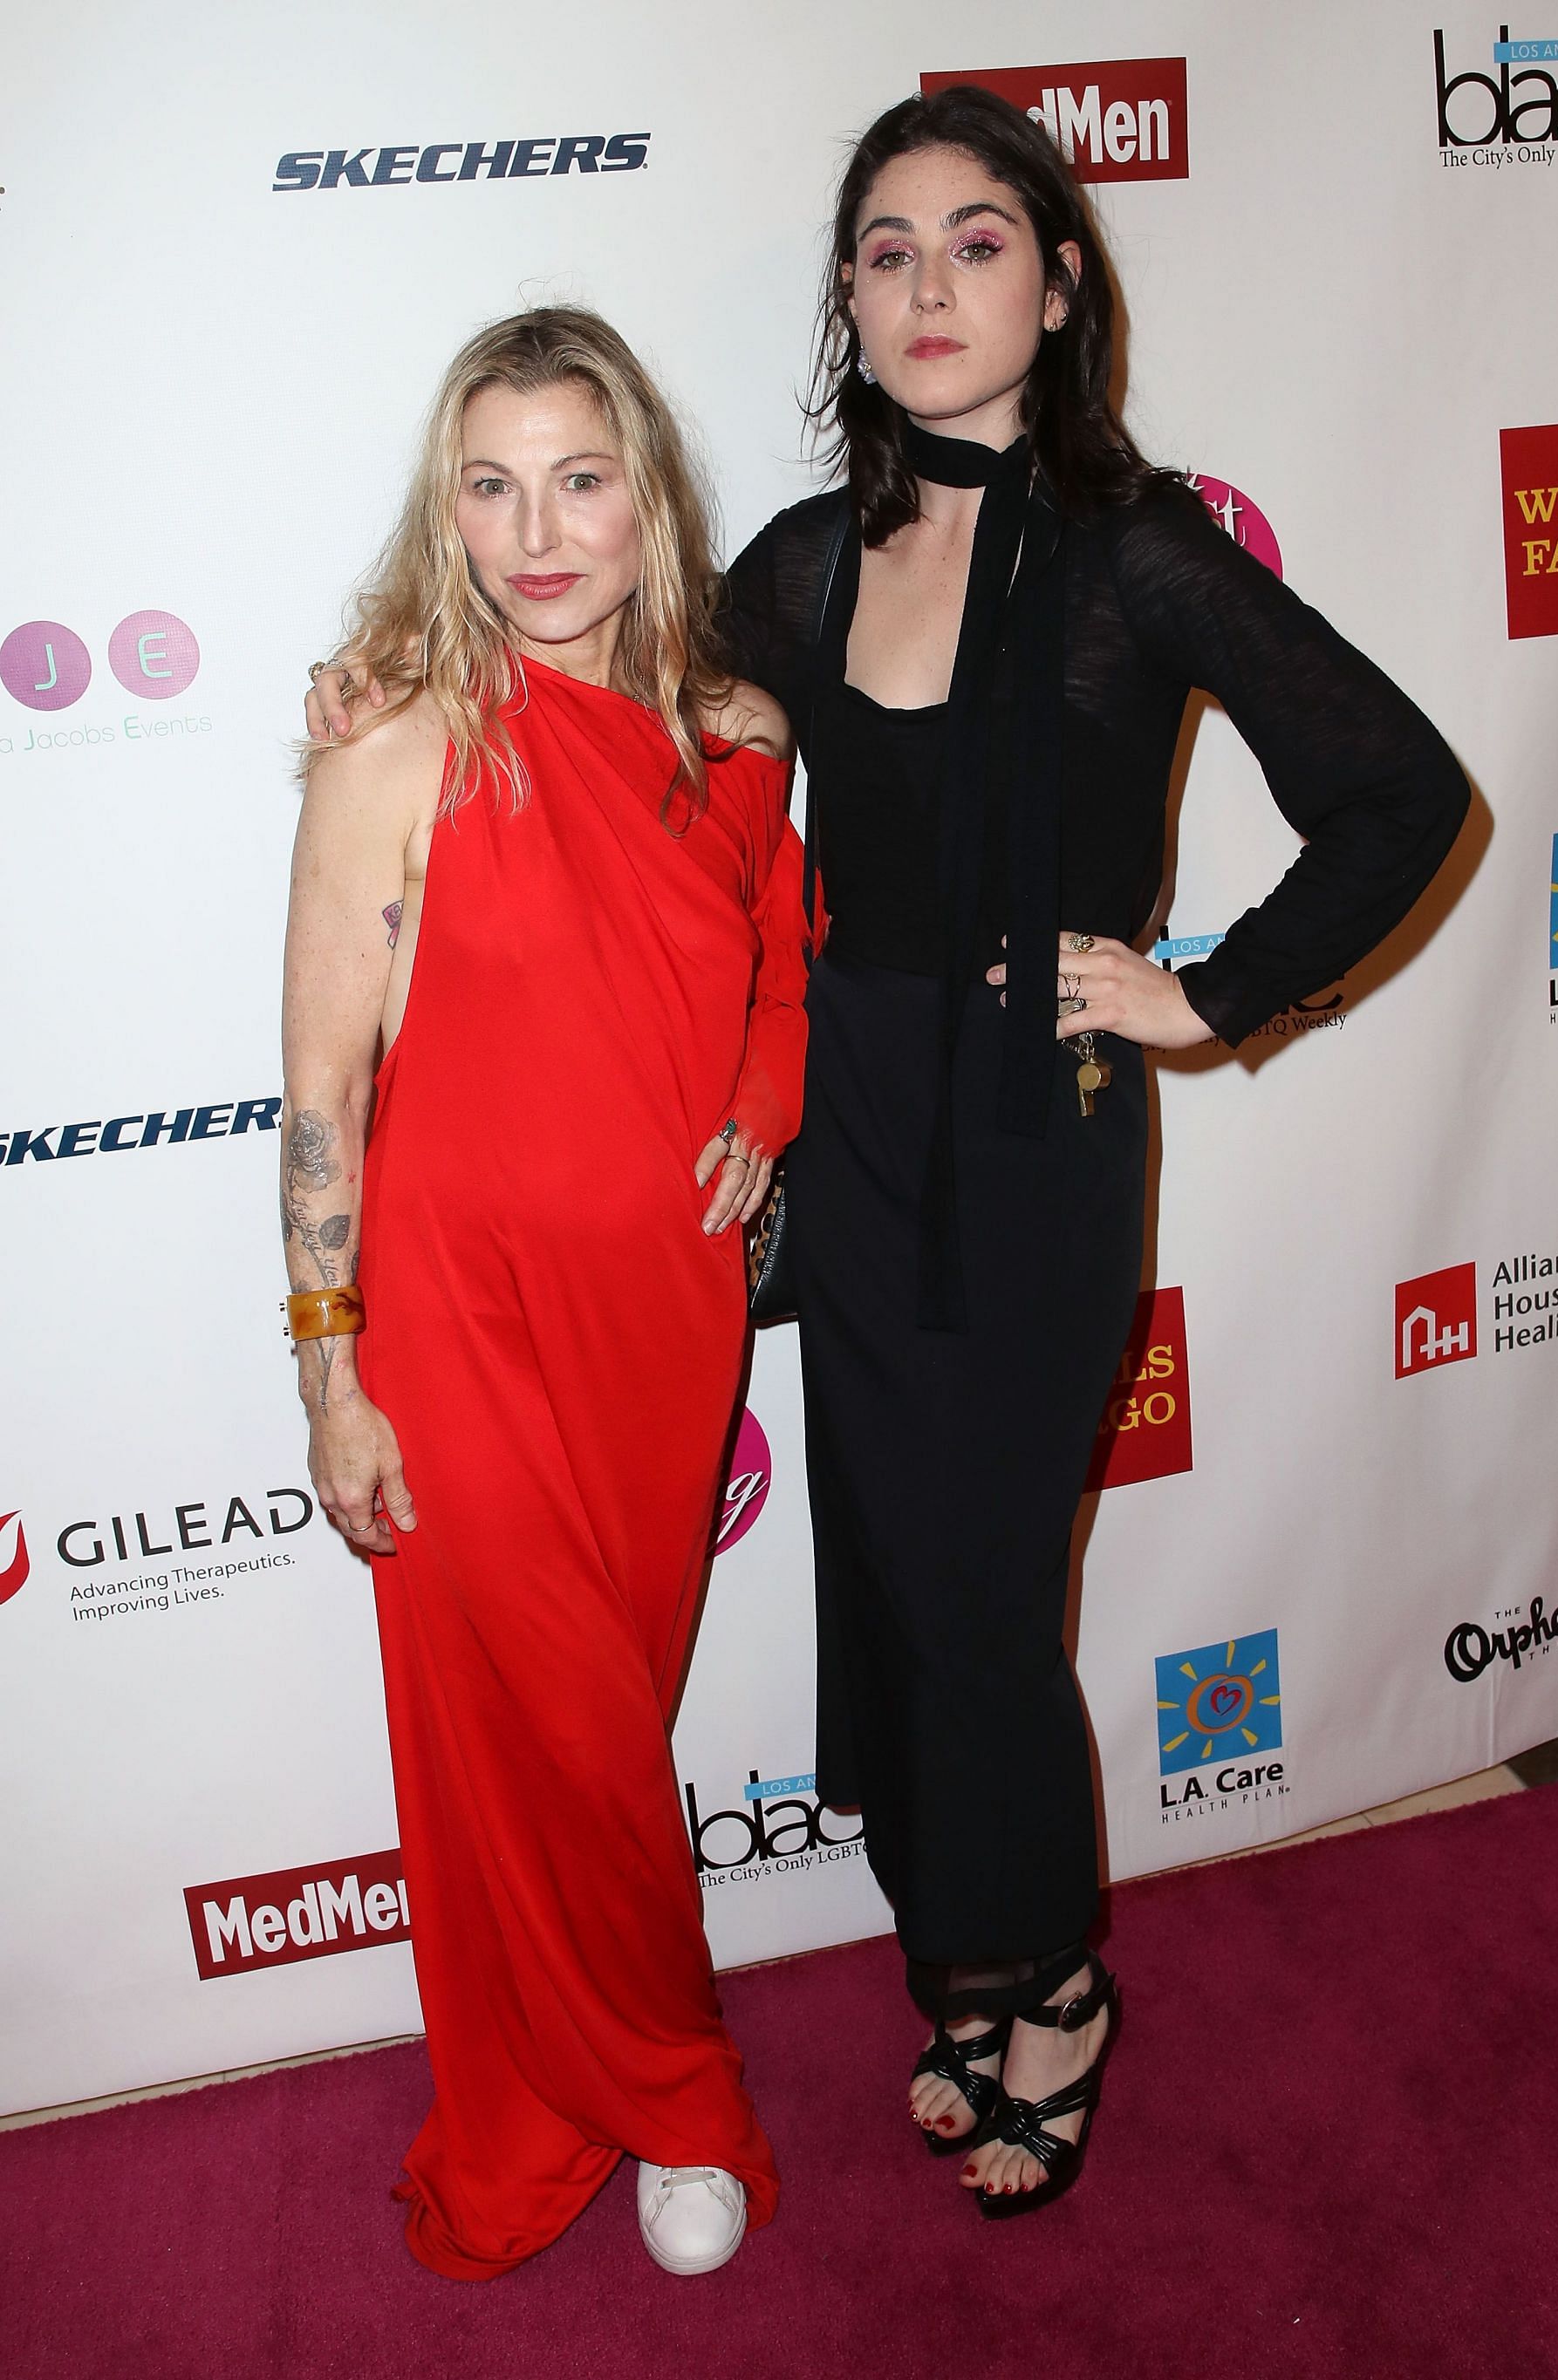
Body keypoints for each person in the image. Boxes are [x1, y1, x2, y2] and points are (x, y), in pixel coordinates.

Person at [308, 88, 1469, 2222]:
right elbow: (637, 735)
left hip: (1033, 1151)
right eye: (885, 251)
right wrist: (410, 669)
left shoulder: (1140, 550)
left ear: (1059, 279)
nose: (930, 287)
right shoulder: (809, 559)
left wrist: (1216, 992)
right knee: (885, 1578)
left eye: (976, 242)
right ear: (848, 301)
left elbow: (1401, 788)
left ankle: (1058, 1994)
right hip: (842, 1146)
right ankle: (962, 1949)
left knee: (984, 1595)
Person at [282, 306, 805, 2279]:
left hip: (662, 1330)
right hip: (453, 1328)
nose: (539, 531)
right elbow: (325, 1089)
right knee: (564, 1737)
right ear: (451, 511)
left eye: (578, 477)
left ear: (644, 490)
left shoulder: (741, 734)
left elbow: (778, 959)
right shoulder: (393, 746)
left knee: (608, 1729)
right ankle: (675, 2097)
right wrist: (334, 1375)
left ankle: (600, 2069)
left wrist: (765, 1099)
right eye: (489, 488)